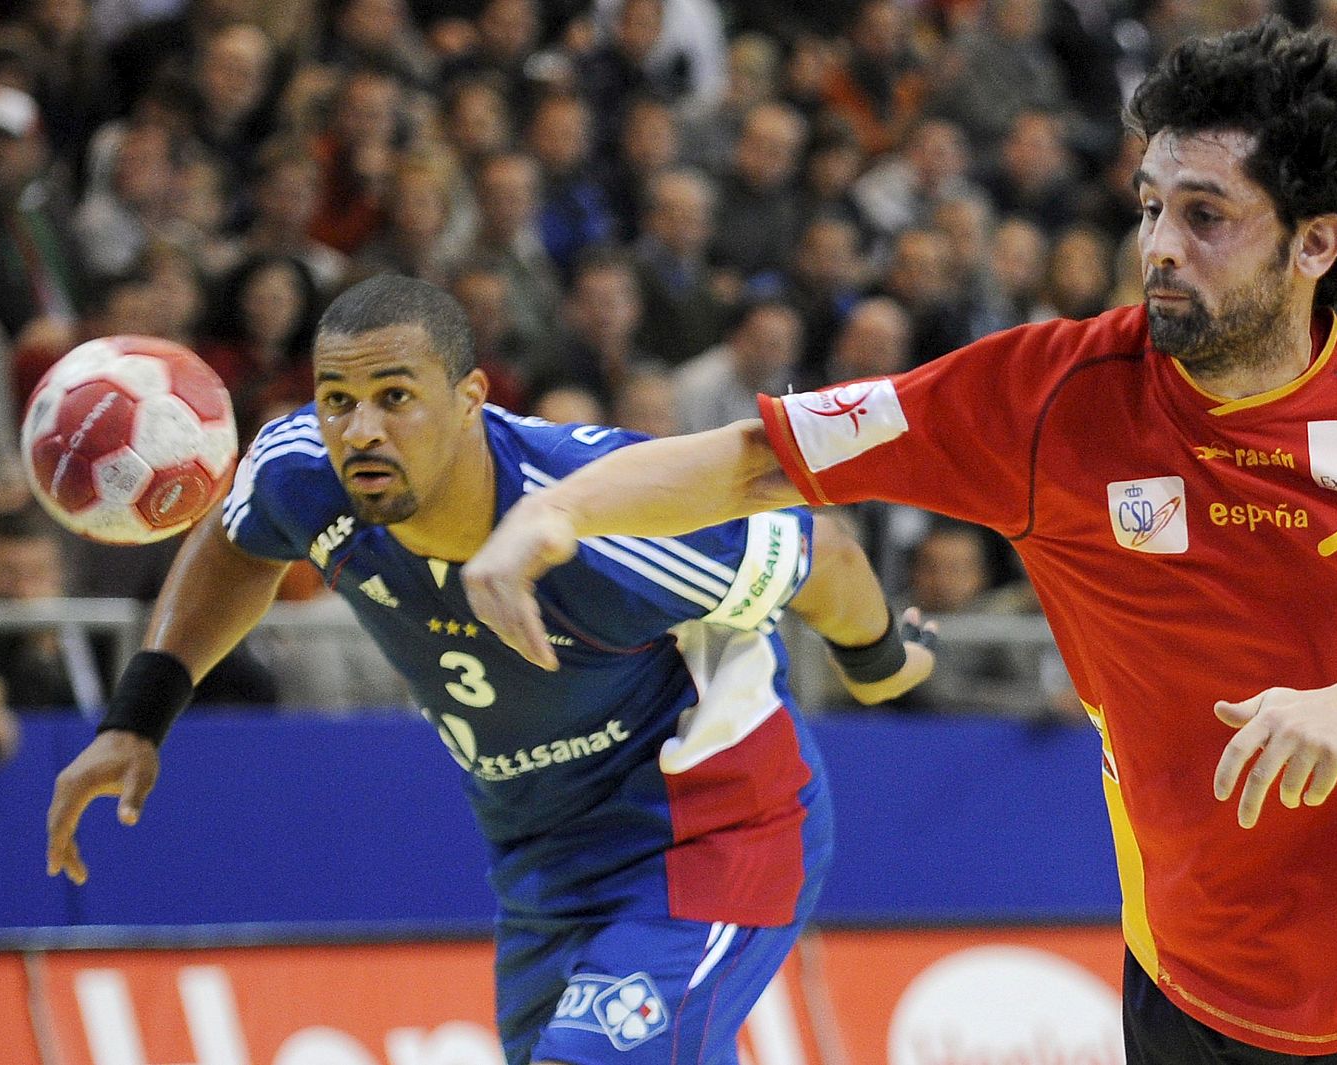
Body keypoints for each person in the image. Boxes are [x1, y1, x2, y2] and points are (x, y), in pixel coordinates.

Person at [458, 19, 1337, 1063]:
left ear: (1315, 242)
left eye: (1205, 215)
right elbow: (762, 457)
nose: (1158, 246)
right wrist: (553, 509)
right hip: (1181, 966)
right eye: (1147, 207)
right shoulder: (1046, 397)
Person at [45, 274, 934, 1064]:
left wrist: (881, 662)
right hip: (543, 861)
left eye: (396, 396)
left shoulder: (608, 520)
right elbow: (240, 541)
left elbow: (826, 558)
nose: (360, 429)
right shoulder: (303, 473)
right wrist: (138, 715)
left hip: (716, 833)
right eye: (337, 399)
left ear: (470, 397)